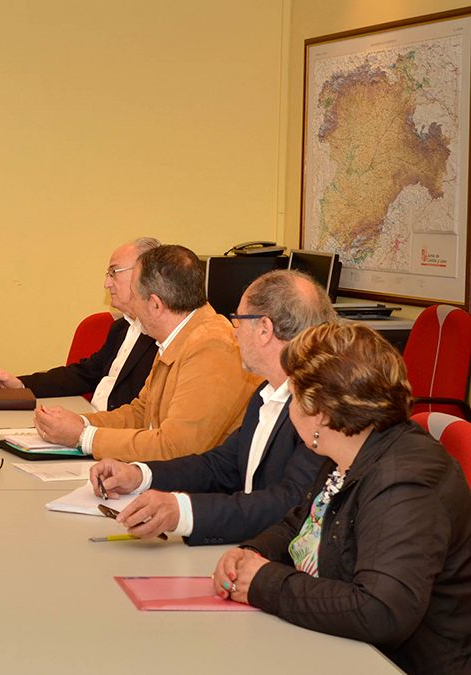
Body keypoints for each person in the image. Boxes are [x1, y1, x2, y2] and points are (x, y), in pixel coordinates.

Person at [212, 323, 471, 673]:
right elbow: (303, 522)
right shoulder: (350, 449)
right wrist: (252, 553)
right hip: (344, 649)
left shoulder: (403, 481)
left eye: (292, 393)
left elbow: (381, 611)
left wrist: (264, 583)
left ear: (319, 412)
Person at [90, 270, 333, 544]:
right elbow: (220, 466)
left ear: (264, 329)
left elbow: (289, 502)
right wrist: (139, 474)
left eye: (238, 321)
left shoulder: (320, 408)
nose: (234, 332)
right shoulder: (265, 394)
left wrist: (183, 513)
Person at [34, 244, 260, 461]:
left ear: (155, 304)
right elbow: (141, 413)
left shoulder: (212, 347)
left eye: (134, 294)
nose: (131, 304)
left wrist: (83, 437)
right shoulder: (180, 336)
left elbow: (177, 448)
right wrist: (81, 423)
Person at [0, 237, 159, 411]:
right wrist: (20, 385)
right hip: (92, 423)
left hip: (113, 433)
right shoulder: (121, 327)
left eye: (114, 273)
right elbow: (83, 375)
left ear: (144, 275)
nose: (106, 284)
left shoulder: (160, 337)